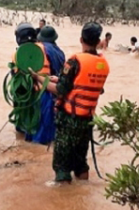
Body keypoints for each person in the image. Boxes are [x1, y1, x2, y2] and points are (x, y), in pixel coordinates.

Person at [30, 23, 110, 184]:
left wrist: (38, 78)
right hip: (87, 119)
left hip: (69, 119)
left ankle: (63, 199)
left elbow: (60, 91)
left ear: (81, 39)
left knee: (62, 165)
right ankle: (82, 190)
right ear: (98, 41)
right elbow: (85, 85)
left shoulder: (75, 61)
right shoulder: (103, 64)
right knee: (80, 163)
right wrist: (58, 78)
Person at [28, 26, 66, 144]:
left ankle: (35, 156)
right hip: (54, 92)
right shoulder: (60, 52)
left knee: (38, 132)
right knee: (49, 131)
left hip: (40, 93)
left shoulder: (37, 49)